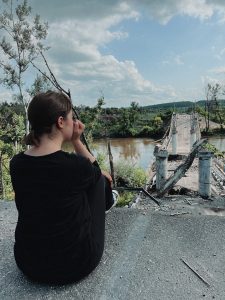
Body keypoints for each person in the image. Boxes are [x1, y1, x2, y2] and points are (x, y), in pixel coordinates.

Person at [10, 91, 118, 284]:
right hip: (76, 265)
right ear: (61, 122)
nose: (73, 122)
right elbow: (95, 170)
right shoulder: (75, 166)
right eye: (71, 118)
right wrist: (76, 140)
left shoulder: (17, 163)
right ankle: (110, 201)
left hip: (28, 263)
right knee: (100, 179)